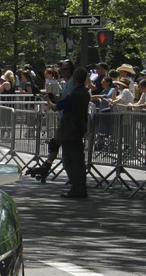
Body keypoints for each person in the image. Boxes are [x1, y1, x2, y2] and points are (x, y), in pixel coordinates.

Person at [46, 68, 91, 199]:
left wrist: (49, 101)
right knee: (79, 160)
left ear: (75, 79)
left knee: (70, 161)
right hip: (78, 130)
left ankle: (77, 188)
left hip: (69, 131)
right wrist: (56, 99)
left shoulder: (75, 94)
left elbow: (56, 107)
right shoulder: (85, 93)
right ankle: (81, 187)